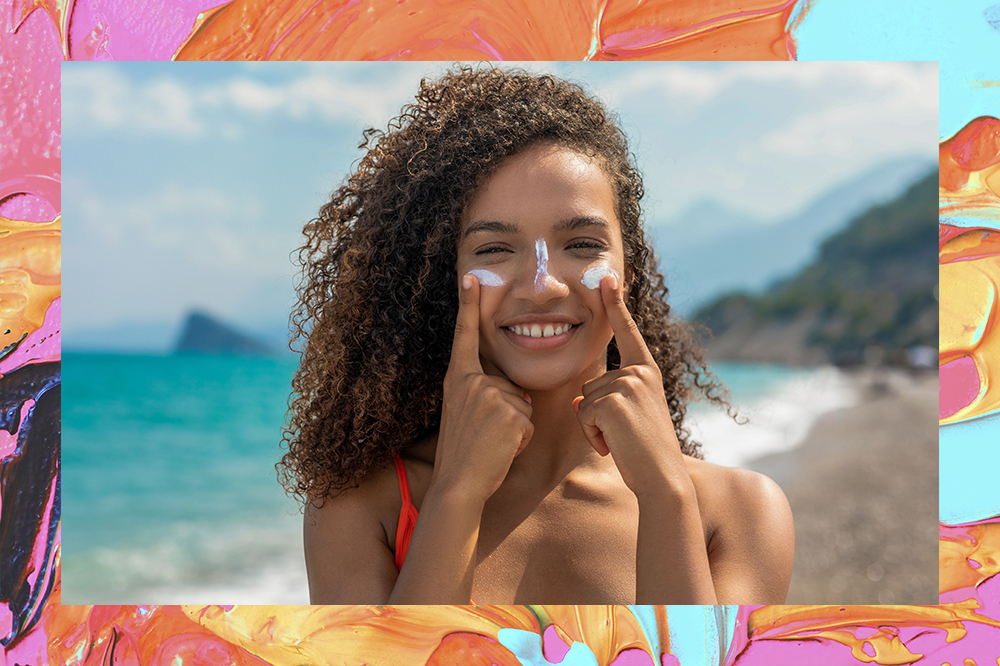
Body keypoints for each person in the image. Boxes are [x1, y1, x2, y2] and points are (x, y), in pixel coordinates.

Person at [279, 66, 794, 604]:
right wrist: (457, 495)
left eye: (582, 244)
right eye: (494, 249)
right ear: (441, 280)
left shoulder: (741, 513)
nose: (543, 286)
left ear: (629, 269)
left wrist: (666, 498)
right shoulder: (360, 509)